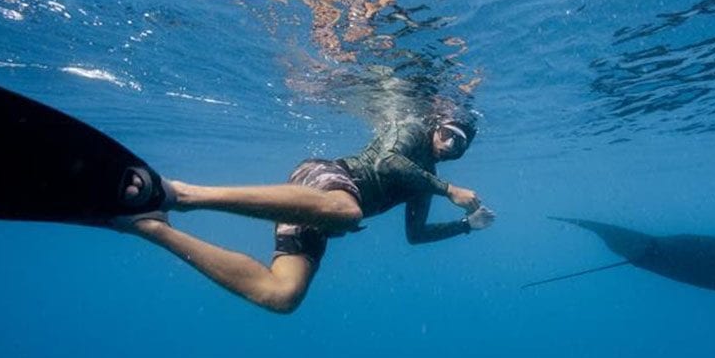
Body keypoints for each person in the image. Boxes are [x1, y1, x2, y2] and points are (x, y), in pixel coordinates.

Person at [116, 115, 495, 313]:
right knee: (348, 212)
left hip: (324, 215)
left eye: (460, 144)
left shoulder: (426, 182)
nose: (450, 144)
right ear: (435, 127)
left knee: (283, 296)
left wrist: (465, 226)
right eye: (447, 133)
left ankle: (150, 228)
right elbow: (387, 162)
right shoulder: (411, 130)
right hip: (324, 176)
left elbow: (416, 234)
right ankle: (182, 194)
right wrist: (449, 190)